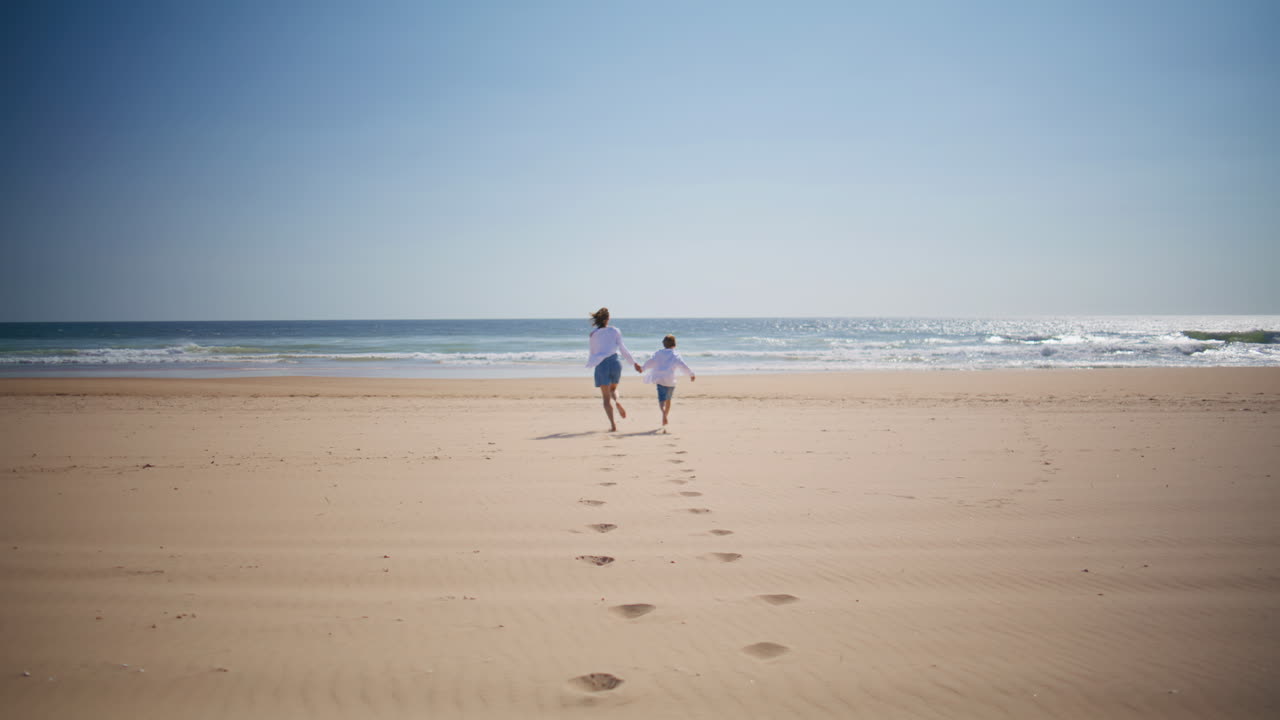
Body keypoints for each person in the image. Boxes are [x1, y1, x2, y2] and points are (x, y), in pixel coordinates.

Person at [585, 308, 642, 432]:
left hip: (601, 365)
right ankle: (617, 401)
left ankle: (613, 425)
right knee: (613, 389)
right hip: (615, 363)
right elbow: (623, 348)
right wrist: (634, 363)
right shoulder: (615, 330)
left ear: (597, 319)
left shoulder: (593, 334)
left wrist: (591, 363)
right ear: (608, 319)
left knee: (606, 398)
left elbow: (593, 352)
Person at [639, 334, 696, 429]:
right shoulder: (675, 355)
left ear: (664, 344)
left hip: (660, 379)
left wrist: (642, 368)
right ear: (674, 344)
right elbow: (683, 366)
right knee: (668, 400)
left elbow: (651, 362)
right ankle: (665, 415)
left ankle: (663, 413)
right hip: (670, 380)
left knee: (662, 400)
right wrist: (691, 374)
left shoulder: (658, 353)